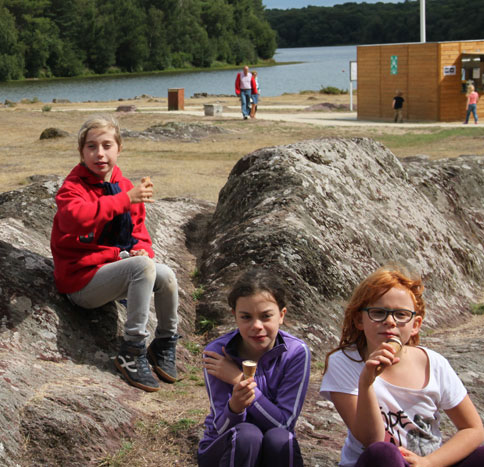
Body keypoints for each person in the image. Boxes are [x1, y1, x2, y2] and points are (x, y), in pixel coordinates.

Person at [50, 115, 180, 392]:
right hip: (82, 284)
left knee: (167, 275)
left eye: (107, 145)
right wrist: (125, 199)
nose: (100, 154)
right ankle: (132, 351)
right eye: (91, 147)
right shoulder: (73, 188)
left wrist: (138, 250)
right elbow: (76, 218)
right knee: (141, 266)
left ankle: (165, 342)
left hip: (114, 271)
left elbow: (141, 236)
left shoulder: (125, 186)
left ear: (119, 148)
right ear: (81, 152)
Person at [320, 267, 484, 467]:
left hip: (426, 462)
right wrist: (366, 382)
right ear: (359, 320)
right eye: (378, 313)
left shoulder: (434, 363)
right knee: (383, 452)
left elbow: (473, 429)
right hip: (378, 462)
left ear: (415, 324)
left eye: (401, 315)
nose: (390, 322)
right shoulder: (344, 362)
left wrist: (430, 462)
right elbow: (371, 440)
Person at [198, 268, 311, 467]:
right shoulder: (216, 353)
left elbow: (284, 424)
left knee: (280, 438)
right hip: (226, 448)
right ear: (235, 316)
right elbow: (220, 426)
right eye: (246, 317)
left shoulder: (295, 352)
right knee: (248, 435)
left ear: (281, 315)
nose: (256, 326)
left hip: (274, 447)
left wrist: (240, 380)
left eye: (266, 316)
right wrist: (235, 406)